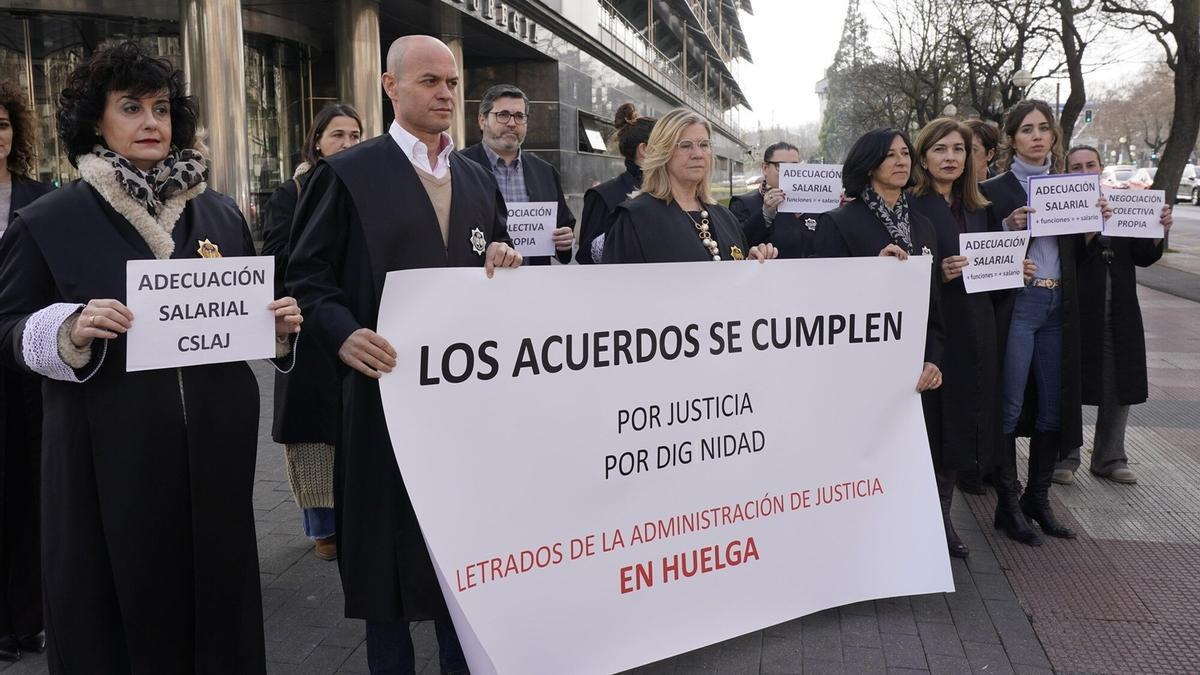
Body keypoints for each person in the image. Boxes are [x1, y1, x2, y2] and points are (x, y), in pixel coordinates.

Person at [0, 42, 302, 673]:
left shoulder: (217, 211)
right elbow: (8, 326)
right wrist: (68, 331)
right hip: (104, 459)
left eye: (161, 109)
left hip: (214, 458)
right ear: (95, 121)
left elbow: (243, 318)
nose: (151, 123)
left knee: (218, 603)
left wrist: (276, 328)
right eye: (131, 107)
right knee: (122, 609)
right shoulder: (46, 220)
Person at [286, 35, 521, 675]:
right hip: (381, 396)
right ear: (391, 87)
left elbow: (491, 249)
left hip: (461, 405)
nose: (445, 93)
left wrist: (500, 256)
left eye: (451, 82)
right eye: (428, 81)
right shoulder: (350, 173)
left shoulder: (475, 177)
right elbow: (306, 273)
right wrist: (340, 331)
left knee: (458, 550)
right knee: (385, 557)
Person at [980, 99, 1112, 547]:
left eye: (1043, 129)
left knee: (1053, 406)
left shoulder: (1068, 187)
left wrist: (1095, 230)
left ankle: (1039, 499)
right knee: (1011, 404)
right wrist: (1007, 229)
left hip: (1060, 306)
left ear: (1054, 137)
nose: (1036, 136)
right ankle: (1008, 503)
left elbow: (1085, 258)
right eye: (1026, 130)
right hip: (1018, 305)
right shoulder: (994, 190)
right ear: (1012, 138)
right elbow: (977, 252)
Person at [908, 117, 1032, 559]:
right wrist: (937, 274)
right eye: (940, 150)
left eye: (958, 150)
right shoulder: (911, 206)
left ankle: (944, 516)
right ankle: (935, 521)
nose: (950, 158)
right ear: (924, 156)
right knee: (937, 426)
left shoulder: (981, 208)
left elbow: (990, 273)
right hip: (936, 330)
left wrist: (1013, 269)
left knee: (965, 423)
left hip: (978, 328)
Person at [261, 102, 362, 561]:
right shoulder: (292, 191)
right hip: (305, 327)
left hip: (355, 322)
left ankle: (358, 517)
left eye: (355, 135)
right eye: (337, 135)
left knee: (353, 427)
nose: (346, 143)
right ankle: (323, 527)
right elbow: (280, 259)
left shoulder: (367, 185)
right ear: (317, 140)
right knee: (312, 431)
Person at [1053, 145, 1173, 485]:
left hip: (1119, 306)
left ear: (1101, 168)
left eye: (1091, 165)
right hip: (1077, 307)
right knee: (1071, 379)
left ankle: (1110, 457)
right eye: (1076, 166)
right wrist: (1090, 230)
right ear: (1066, 170)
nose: (1084, 171)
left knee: (1120, 380)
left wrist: (1158, 230)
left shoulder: (1123, 201)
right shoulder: (1060, 206)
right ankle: (1066, 456)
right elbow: (1066, 256)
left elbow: (1143, 256)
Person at [813, 127, 945, 396]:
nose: (901, 161)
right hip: (861, 370)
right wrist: (872, 272)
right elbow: (822, 303)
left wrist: (933, 358)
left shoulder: (924, 226)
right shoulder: (838, 223)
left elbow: (933, 303)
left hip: (917, 371)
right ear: (870, 165)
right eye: (890, 155)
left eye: (906, 153)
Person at [0, 80, 52, 663]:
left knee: (34, 490)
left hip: (30, 368)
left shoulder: (41, 200)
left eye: (3, 123)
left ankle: (34, 614)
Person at [601, 107, 777, 264]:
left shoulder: (724, 216)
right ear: (663, 152)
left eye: (704, 145)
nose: (698, 154)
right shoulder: (634, 218)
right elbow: (619, 292)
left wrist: (748, 265)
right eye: (685, 146)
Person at [461, 83, 574, 265]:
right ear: (482, 120)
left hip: (533, 285)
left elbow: (563, 223)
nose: (512, 123)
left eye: (519, 116)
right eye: (503, 115)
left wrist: (564, 241)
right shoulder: (458, 166)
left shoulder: (545, 172)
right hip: (480, 282)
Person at [577, 103, 655, 263]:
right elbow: (586, 258)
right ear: (644, 150)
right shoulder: (602, 196)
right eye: (667, 144)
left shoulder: (675, 192)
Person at [729, 141, 821, 258]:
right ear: (765, 168)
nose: (789, 173)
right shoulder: (743, 204)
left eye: (794, 166)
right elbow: (738, 244)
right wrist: (765, 215)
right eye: (780, 166)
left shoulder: (814, 203)